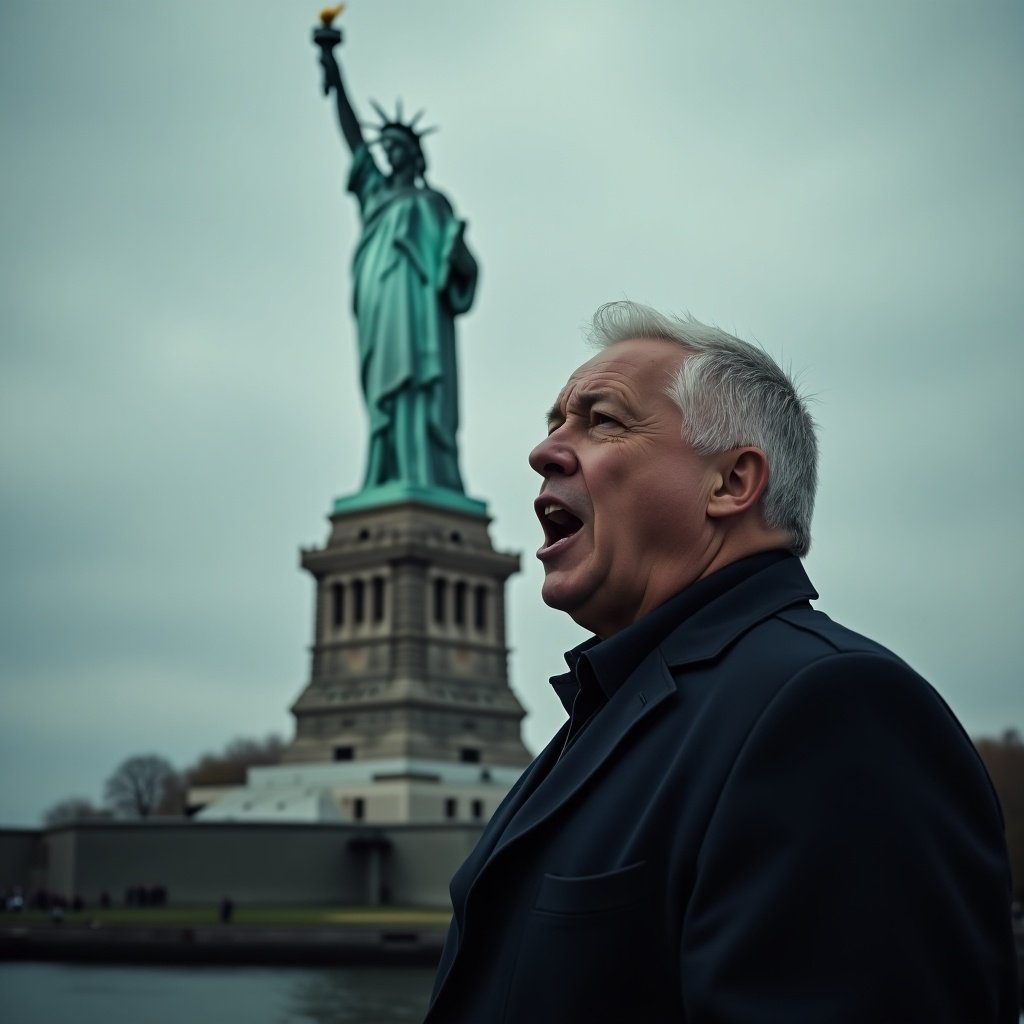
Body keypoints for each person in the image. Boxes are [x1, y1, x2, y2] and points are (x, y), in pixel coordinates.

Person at [424, 301, 1018, 1023]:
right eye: (554, 424)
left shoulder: (835, 710)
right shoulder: (610, 713)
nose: (544, 451)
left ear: (733, 483)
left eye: (602, 419)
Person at [317, 42, 477, 493]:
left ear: (414, 151)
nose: (388, 153)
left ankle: (427, 475)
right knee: (383, 388)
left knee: (423, 387)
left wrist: (457, 257)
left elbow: (463, 270)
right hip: (378, 297)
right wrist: (334, 72)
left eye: (396, 146)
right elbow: (353, 141)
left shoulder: (433, 203)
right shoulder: (375, 196)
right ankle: (387, 471)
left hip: (420, 304)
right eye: (384, 146)